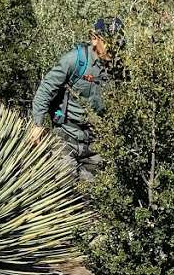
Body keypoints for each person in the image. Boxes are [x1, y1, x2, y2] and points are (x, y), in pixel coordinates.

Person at [30, 17, 123, 181]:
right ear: (94, 39)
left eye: (118, 42)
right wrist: (37, 124)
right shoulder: (75, 61)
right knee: (66, 182)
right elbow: (46, 89)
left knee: (100, 192)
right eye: (109, 42)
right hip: (65, 136)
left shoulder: (120, 70)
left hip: (97, 142)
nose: (114, 48)